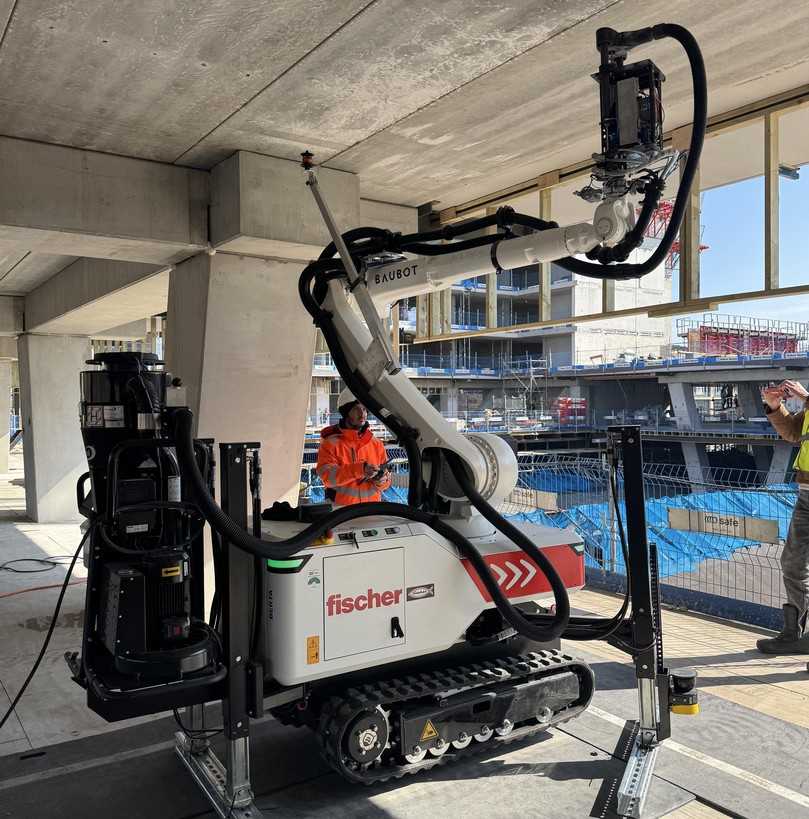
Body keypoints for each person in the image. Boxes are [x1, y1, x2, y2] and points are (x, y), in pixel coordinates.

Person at [757, 379, 809, 654]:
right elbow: (793, 432)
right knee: (792, 563)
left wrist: (806, 398)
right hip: (806, 494)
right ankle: (794, 634)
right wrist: (776, 407)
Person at [316, 387, 391, 506]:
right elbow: (327, 477)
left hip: (371, 510)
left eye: (364, 409)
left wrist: (381, 480)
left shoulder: (376, 443)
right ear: (346, 412)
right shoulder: (330, 443)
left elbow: (386, 482)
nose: (362, 414)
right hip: (341, 511)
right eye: (356, 409)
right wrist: (360, 470)